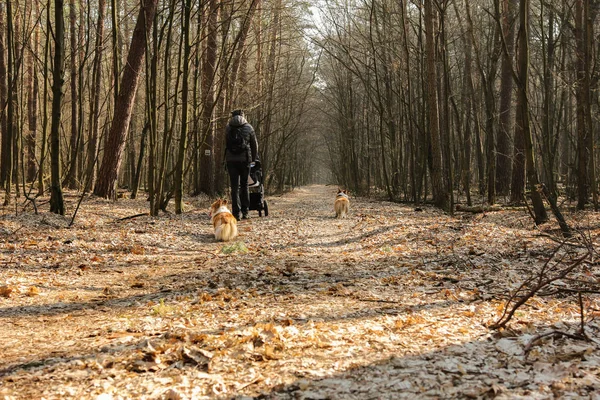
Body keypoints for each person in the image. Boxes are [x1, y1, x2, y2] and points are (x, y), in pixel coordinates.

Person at [225, 109, 258, 220]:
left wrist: (225, 159)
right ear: (243, 116)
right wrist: (253, 160)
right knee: (244, 186)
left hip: (231, 161)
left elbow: (226, 144)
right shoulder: (249, 128)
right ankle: (245, 212)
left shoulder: (228, 127)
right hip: (245, 161)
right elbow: (254, 145)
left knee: (234, 187)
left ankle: (236, 213)